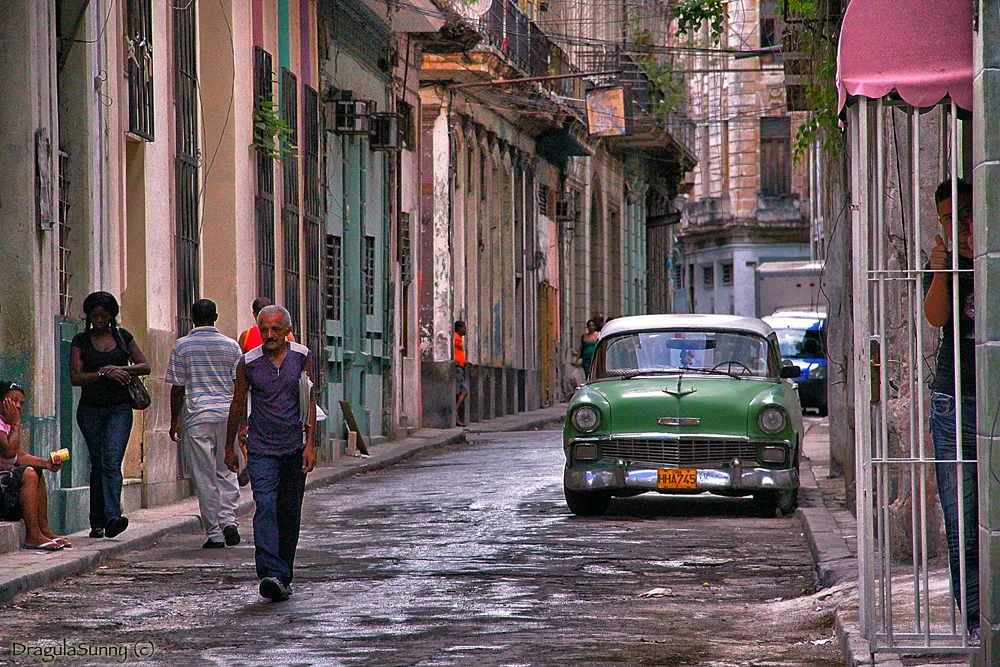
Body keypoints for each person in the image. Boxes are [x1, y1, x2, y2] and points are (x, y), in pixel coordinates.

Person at [225, 305, 316, 602]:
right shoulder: (248, 362)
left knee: (289, 511)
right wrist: (231, 445)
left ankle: (283, 575)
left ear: (287, 330)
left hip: (294, 447)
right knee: (264, 504)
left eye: (276, 329)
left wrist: (310, 444)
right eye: (264, 329)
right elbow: (237, 403)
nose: (269, 335)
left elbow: (309, 400)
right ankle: (270, 573)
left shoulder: (301, 357)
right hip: (262, 447)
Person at [923, 178, 978, 641]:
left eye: (966, 213)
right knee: (962, 523)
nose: (961, 225)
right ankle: (976, 622)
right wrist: (944, 268)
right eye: (949, 219)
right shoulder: (944, 263)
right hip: (955, 401)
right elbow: (937, 318)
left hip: (990, 400)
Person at [70, 291, 151, 539]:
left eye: (103, 316)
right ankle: (97, 522)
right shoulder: (80, 341)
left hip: (119, 409)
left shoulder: (122, 337)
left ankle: (113, 517)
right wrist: (102, 374)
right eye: (94, 316)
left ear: (111, 315)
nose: (99, 320)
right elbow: (76, 377)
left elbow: (144, 365)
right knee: (98, 463)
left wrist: (120, 368)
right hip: (91, 410)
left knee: (112, 461)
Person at [166, 299, 243, 549]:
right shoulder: (231, 346)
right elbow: (240, 386)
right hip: (226, 416)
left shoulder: (183, 347)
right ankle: (229, 520)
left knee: (204, 476)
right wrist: (241, 421)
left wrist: (174, 421)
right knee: (227, 468)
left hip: (198, 416)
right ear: (216, 316)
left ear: (191, 318)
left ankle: (215, 534)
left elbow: (178, 387)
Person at [0, 382, 69, 551]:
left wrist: (46, 463)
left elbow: (20, 456)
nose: (17, 406)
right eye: (13, 400)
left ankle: (44, 530)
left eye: (21, 403)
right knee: (28, 474)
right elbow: (9, 452)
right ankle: (32, 535)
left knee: (36, 472)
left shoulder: (8, 423)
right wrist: (16, 425)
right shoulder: (7, 424)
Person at [454, 321, 468, 427]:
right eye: (464, 328)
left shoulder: (459, 338)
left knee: (460, 391)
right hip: (457, 368)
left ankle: (455, 414)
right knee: (463, 391)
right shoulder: (456, 337)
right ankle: (454, 413)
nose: (465, 330)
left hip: (460, 367)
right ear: (459, 328)